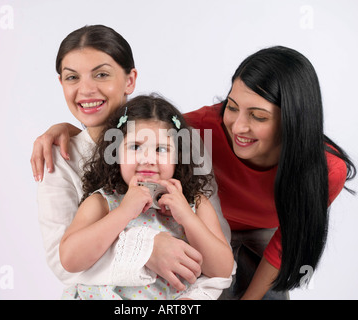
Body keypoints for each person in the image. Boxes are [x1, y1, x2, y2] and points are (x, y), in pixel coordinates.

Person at [32, 45, 356, 299]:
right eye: (231, 106)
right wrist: (69, 130)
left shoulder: (324, 170)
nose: (239, 126)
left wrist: (187, 215)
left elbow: (248, 257)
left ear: (293, 121)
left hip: (247, 233)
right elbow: (142, 127)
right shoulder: (197, 129)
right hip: (209, 232)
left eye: (258, 115)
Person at [36, 24, 231, 296]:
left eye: (101, 74)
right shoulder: (98, 194)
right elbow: (65, 262)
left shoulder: (188, 181)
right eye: (72, 77)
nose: (86, 89)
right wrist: (145, 249)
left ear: (130, 80)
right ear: (114, 154)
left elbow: (222, 268)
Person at [59, 95, 234, 300]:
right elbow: (70, 260)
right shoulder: (102, 202)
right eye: (135, 147)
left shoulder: (195, 204)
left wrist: (187, 217)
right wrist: (124, 212)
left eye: (161, 149)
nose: (148, 159)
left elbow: (221, 269)